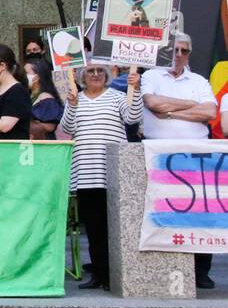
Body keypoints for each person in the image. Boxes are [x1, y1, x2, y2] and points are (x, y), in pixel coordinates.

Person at [141, 33, 219, 289]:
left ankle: (201, 270)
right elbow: (152, 103)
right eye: (174, 50)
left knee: (200, 213)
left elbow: (209, 112)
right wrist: (190, 105)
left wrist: (171, 111)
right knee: (163, 212)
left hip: (197, 155)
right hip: (159, 156)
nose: (178, 55)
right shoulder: (151, 76)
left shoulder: (198, 80)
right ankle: (163, 266)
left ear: (189, 54)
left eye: (184, 51)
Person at [60, 64, 142, 290]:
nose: (95, 75)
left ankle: (115, 275)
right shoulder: (75, 99)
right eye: (90, 71)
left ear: (106, 75)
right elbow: (66, 127)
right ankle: (98, 274)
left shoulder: (116, 96)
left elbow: (133, 117)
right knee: (93, 228)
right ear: (82, 76)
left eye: (99, 71)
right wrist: (73, 105)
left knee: (113, 226)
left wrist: (135, 89)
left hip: (112, 171)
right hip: (86, 172)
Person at [24, 56, 64, 140]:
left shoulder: (45, 97)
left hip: (43, 147)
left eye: (26, 73)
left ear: (37, 76)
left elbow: (50, 127)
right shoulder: (29, 95)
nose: (23, 76)